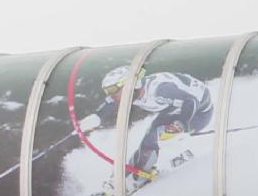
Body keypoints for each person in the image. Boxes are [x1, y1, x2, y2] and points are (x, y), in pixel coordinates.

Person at [78, 66, 213, 184]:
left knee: (158, 136)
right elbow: (109, 103)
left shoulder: (160, 90)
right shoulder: (130, 93)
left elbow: (191, 101)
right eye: (108, 91)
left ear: (131, 84)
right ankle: (132, 171)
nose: (112, 96)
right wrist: (95, 117)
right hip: (173, 111)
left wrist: (181, 124)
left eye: (114, 90)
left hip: (198, 113)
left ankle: (177, 160)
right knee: (149, 136)